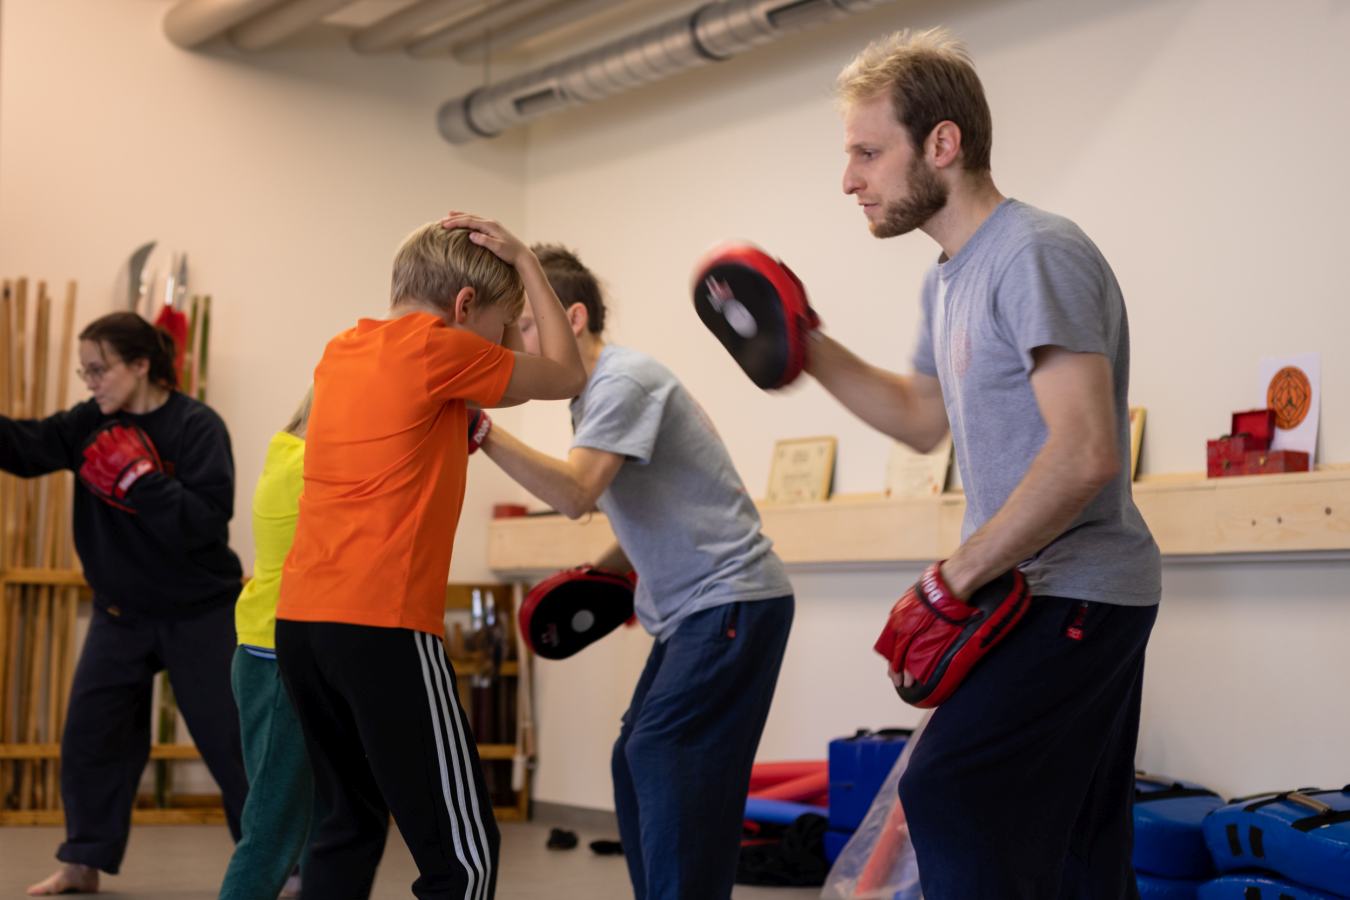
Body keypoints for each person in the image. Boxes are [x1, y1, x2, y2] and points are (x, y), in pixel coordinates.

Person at [802, 27, 1162, 898]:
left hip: (1077, 587)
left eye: (866, 151)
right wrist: (802, 346)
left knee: (951, 790)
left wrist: (950, 579)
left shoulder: (1035, 251)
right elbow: (922, 417)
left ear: (943, 143)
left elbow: (1085, 455)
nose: (849, 178)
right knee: (1076, 843)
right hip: (1034, 588)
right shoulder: (950, 275)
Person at [273, 214, 586, 900]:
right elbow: (566, 373)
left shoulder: (342, 351)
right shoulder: (437, 346)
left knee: (346, 827)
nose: (503, 345)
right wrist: (528, 263)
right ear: (464, 306)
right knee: (462, 855)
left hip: (301, 624)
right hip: (381, 628)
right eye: (503, 328)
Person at [475, 243, 795, 900]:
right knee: (637, 758)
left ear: (574, 318)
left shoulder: (622, 382)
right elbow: (659, 507)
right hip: (700, 609)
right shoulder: (590, 397)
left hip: (731, 600)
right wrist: (600, 574)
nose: (515, 339)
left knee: (661, 753)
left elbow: (575, 495)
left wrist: (481, 431)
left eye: (526, 323)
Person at [0, 312, 247, 896]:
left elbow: (208, 522)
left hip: (200, 611)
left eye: (99, 370)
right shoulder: (88, 423)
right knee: (91, 740)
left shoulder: (197, 427)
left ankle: (282, 865)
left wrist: (141, 482)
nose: (91, 382)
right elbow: (27, 447)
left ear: (140, 365)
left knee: (233, 741)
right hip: (120, 615)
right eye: (84, 371)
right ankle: (82, 864)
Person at [219, 388, 336, 900]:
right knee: (273, 825)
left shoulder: (285, 447)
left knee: (314, 812)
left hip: (269, 648)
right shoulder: (311, 464)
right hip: (276, 655)